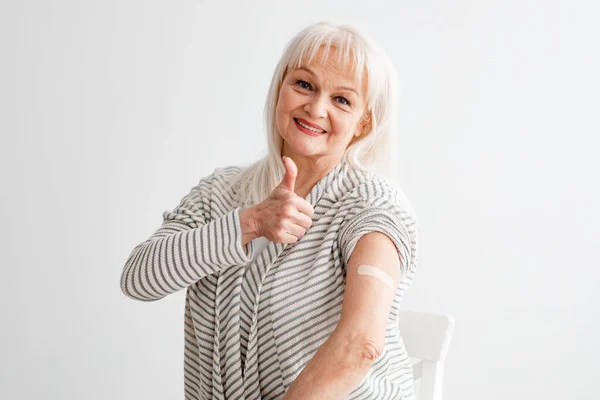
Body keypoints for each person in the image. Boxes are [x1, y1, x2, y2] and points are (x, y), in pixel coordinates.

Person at [120, 21, 419, 400]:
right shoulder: (221, 192)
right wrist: (250, 223)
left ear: (364, 123)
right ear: (280, 87)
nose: (316, 107)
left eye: (341, 100)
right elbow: (138, 280)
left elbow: (359, 345)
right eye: (304, 85)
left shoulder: (374, 207)